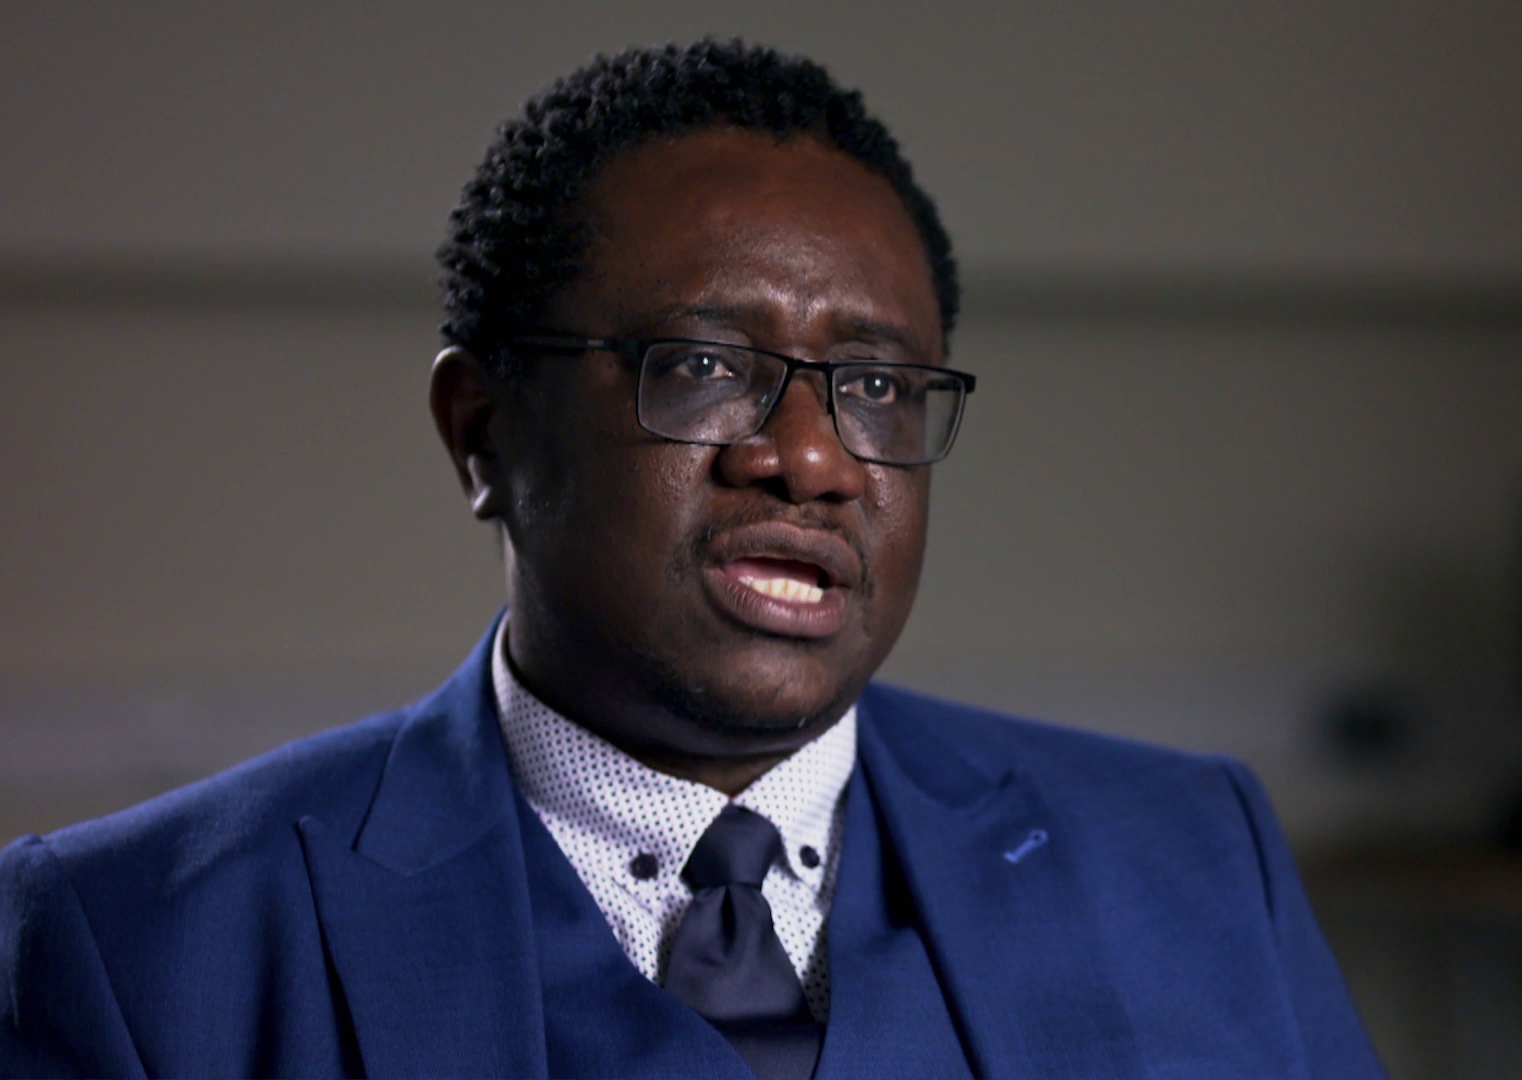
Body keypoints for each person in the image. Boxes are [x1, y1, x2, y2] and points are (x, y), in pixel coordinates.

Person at [0, 40, 1385, 1080]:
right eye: (705, 366)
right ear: (483, 432)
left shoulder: (1191, 859)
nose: (812, 458)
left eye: (876, 387)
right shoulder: (135, 945)